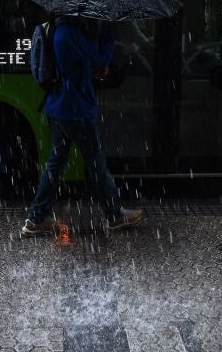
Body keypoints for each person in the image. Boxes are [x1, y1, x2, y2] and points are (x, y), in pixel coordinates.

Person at [21, 16, 144, 237]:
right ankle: (115, 215)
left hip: (59, 105)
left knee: (56, 162)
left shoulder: (60, 28)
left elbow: (75, 64)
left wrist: (91, 71)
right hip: (75, 108)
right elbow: (101, 56)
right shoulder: (71, 31)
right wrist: (108, 28)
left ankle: (36, 218)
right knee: (95, 162)